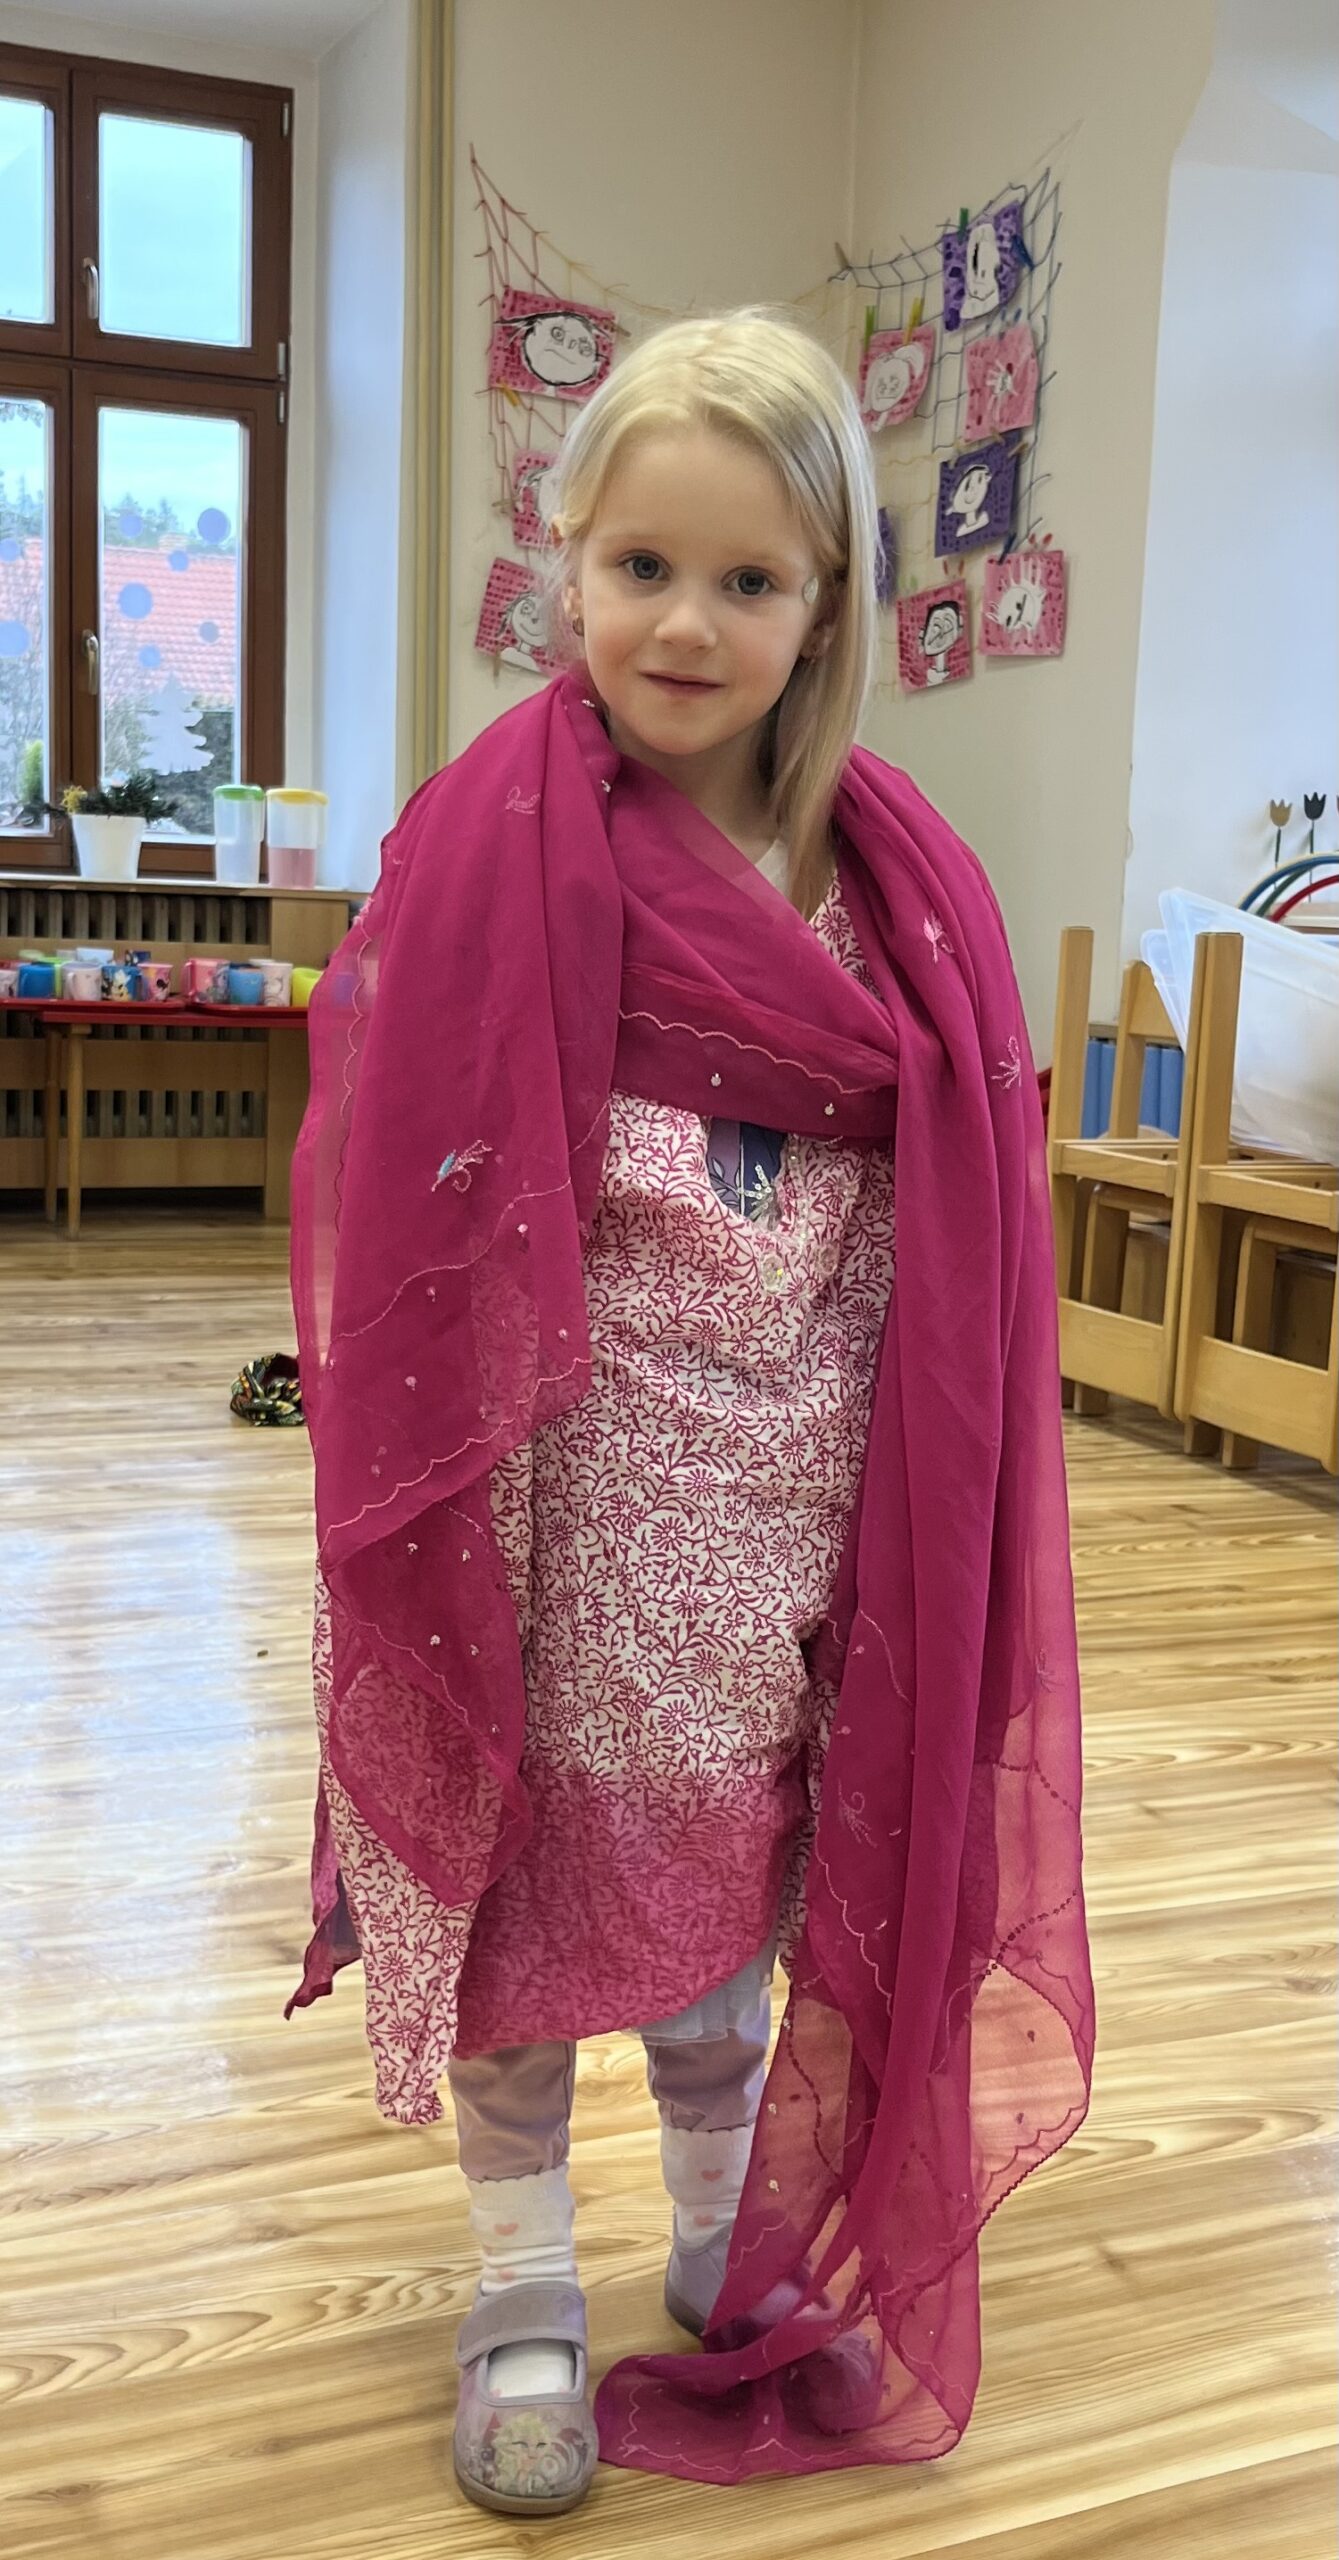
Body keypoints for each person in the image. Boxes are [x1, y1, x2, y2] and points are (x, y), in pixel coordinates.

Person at [286, 308, 1094, 2518]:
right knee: (530, 1910)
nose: (684, 622)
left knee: (737, 1917)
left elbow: (948, 1207)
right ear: (563, 558)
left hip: (794, 1511)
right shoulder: (496, 835)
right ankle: (521, 2286)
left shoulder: (893, 885)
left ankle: (729, 2239)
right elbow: (406, 1170)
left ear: (827, 605)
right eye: (642, 564)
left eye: (748, 580)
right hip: (549, 1506)